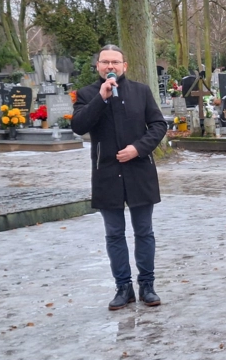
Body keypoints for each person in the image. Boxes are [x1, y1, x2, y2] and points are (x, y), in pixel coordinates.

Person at [71, 44, 168, 310]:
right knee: (114, 234)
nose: (110, 66)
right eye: (105, 62)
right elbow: (79, 126)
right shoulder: (87, 94)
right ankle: (123, 288)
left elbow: (159, 124)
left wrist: (139, 148)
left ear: (124, 66)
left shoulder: (141, 91)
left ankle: (147, 285)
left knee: (144, 231)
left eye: (115, 62)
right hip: (107, 174)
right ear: (98, 66)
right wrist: (100, 98)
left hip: (139, 171)